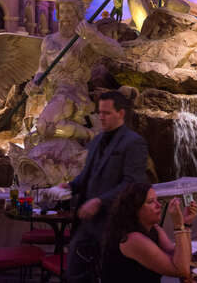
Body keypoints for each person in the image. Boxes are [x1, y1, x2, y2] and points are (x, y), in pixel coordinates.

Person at [61, 90, 149, 283]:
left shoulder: (134, 142)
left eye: (107, 113)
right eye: (99, 112)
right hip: (88, 223)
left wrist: (100, 201)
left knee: (110, 276)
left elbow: (132, 183)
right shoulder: (96, 141)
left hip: (115, 224)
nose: (101, 117)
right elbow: (87, 175)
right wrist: (69, 186)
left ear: (121, 113)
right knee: (75, 271)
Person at [101, 183, 197, 282]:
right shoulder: (132, 239)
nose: (159, 205)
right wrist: (178, 225)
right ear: (135, 209)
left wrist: (186, 224)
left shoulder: (154, 229)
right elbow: (181, 270)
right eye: (151, 202)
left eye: (157, 200)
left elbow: (183, 259)